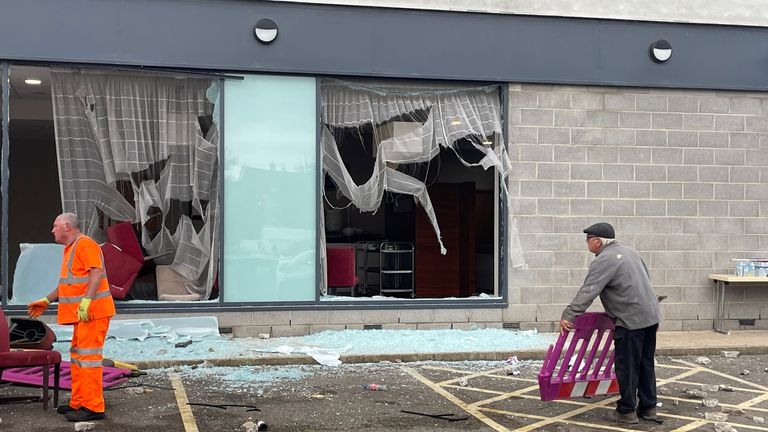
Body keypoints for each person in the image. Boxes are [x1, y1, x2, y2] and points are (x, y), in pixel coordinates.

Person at [559, 222, 662, 425]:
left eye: (588, 239)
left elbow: (589, 290)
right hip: (651, 317)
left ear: (597, 241)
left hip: (630, 320)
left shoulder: (604, 260)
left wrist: (569, 314)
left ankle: (626, 411)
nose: (586, 244)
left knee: (627, 367)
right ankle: (649, 408)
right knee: (645, 363)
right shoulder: (630, 252)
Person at [28, 212, 116, 422]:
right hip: (84, 316)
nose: (52, 230)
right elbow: (67, 284)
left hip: (93, 313)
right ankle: (79, 402)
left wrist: (86, 302)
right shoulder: (71, 248)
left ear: (67, 226)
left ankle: (94, 407)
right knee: (78, 358)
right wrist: (47, 300)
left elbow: (96, 272)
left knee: (88, 360)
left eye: (55, 226)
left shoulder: (85, 244)